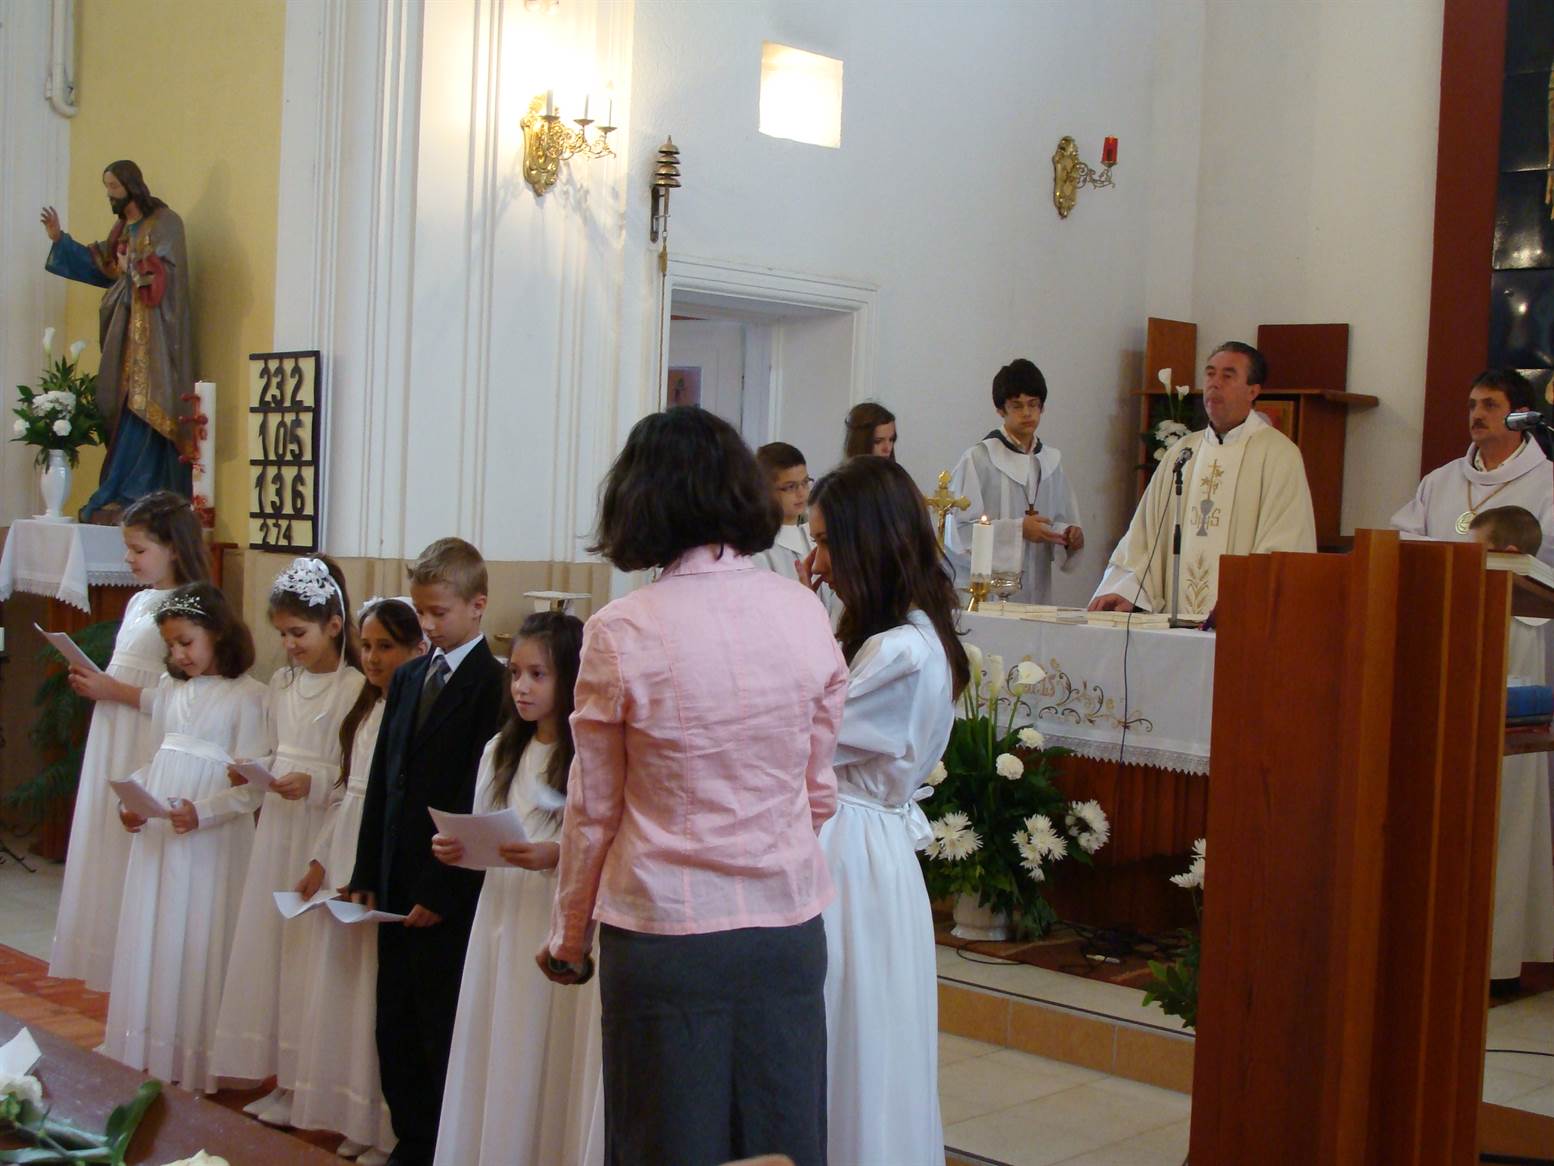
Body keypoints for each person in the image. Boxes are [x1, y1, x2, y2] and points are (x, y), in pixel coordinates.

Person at [540, 407, 848, 1166]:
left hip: (666, 933)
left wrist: (570, 937)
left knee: (667, 1146)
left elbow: (593, 810)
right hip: (784, 930)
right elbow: (819, 792)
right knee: (780, 1144)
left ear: (638, 499)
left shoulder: (621, 629)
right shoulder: (802, 610)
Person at [806, 455, 968, 1166]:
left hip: (850, 855)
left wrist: (795, 623)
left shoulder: (901, 651)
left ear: (866, 542)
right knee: (857, 1040)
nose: (817, 563)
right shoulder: (907, 637)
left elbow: (802, 736)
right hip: (866, 849)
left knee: (850, 1041)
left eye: (825, 543)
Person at [348, 537, 507, 1166]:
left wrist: (443, 891)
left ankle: (443, 1147)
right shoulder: (411, 675)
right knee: (395, 1027)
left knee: (439, 1024)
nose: (429, 625)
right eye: (421, 612)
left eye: (439, 612)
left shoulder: (494, 686)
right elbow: (384, 782)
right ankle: (409, 1141)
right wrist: (366, 869)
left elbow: (481, 800)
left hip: (447, 888)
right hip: (394, 880)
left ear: (477, 605)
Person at [432, 612, 602, 1166]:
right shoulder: (499, 750)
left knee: (543, 1044)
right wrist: (457, 846)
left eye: (538, 675)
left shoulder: (588, 758)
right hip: (501, 912)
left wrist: (555, 855)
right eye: (515, 674)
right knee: (499, 1035)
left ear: (571, 677)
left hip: (553, 912)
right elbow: (486, 823)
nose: (522, 687)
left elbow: (602, 843)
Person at [213, 557, 365, 1124]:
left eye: (298, 633)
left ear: (334, 624)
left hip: (319, 832)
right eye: (281, 634)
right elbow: (277, 750)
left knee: (308, 954)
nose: (289, 645)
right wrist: (253, 770)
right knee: (273, 948)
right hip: (278, 827)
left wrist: (314, 782)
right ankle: (278, 1073)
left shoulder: (354, 687)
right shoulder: (282, 683)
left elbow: (352, 774)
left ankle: (308, 1082)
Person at [101, 583, 268, 1092]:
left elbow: (251, 787)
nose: (178, 654)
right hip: (162, 836)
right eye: (171, 645)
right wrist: (133, 801)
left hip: (210, 843)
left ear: (218, 632)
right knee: (156, 932)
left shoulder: (249, 696)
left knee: (197, 937)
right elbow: (157, 759)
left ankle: (197, 1056)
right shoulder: (170, 690)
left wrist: (204, 813)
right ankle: (149, 1047)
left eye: (187, 642)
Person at [52, 490, 208, 990]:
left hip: (145, 738)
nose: (128, 559)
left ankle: (138, 972)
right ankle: (109, 967)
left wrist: (112, 689)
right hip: (114, 732)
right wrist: (98, 683)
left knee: (135, 848)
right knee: (105, 844)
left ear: (174, 548)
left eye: (139, 549)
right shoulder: (141, 600)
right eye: (128, 549)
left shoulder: (191, 607)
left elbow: (186, 699)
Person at [290, 598, 427, 1166]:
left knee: (381, 994)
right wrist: (322, 861)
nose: (371, 658)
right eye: (366, 646)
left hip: (383, 855)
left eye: (385, 647)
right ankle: (348, 1111)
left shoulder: (415, 711)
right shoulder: (366, 710)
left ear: (417, 649)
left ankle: (384, 1123)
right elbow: (347, 793)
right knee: (345, 988)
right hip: (350, 845)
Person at [1090, 342, 1316, 618]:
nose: (1214, 383)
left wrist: (1245, 599)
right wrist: (1126, 589)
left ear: (1253, 391)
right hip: (1175, 626)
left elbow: (1286, 544)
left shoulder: (1279, 455)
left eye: (1228, 376)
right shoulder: (1183, 452)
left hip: (1241, 623)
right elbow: (1145, 535)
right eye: (1210, 374)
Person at [40, 161, 194, 521]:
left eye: (113, 187)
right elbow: (103, 264)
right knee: (121, 406)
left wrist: (134, 268)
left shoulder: (166, 223)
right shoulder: (123, 229)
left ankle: (143, 492)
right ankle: (121, 490)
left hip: (155, 340)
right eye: (106, 187)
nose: (109, 194)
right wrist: (60, 240)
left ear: (131, 185)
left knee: (149, 408)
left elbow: (170, 274)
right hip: (124, 338)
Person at [946, 358, 1084, 603]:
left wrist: (1069, 535)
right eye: (1017, 406)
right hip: (988, 593)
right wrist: (1019, 530)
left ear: (1043, 407)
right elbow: (958, 532)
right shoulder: (979, 459)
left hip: (1037, 590)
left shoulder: (1050, 462)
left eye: (1033, 404)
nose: (1027, 413)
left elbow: (1059, 520)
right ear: (1001, 410)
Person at [1391, 370, 1554, 570]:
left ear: (1520, 417)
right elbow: (1401, 539)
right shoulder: (1439, 479)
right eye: (1472, 406)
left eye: (1490, 405)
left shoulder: (1548, 483)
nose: (1477, 415)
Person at [751, 442, 817, 581]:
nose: (802, 493)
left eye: (805, 482)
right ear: (764, 489)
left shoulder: (814, 532)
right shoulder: (759, 550)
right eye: (790, 487)